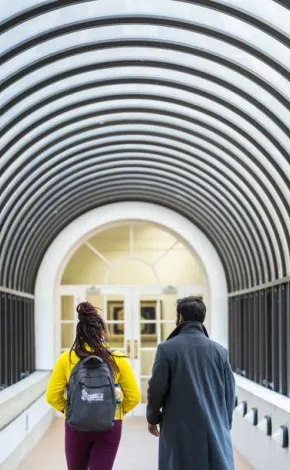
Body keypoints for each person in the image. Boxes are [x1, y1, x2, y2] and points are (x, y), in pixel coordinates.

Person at [46, 302, 140, 470]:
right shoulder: (117, 359)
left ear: (80, 333)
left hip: (76, 424)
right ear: (103, 333)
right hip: (110, 424)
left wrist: (72, 410)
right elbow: (134, 397)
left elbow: (52, 397)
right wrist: (115, 411)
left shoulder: (66, 359)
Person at [147, 297, 236, 470]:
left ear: (180, 317)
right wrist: (224, 423)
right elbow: (229, 393)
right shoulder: (219, 352)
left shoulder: (167, 349)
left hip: (178, 430)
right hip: (213, 426)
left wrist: (152, 417)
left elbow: (156, 388)